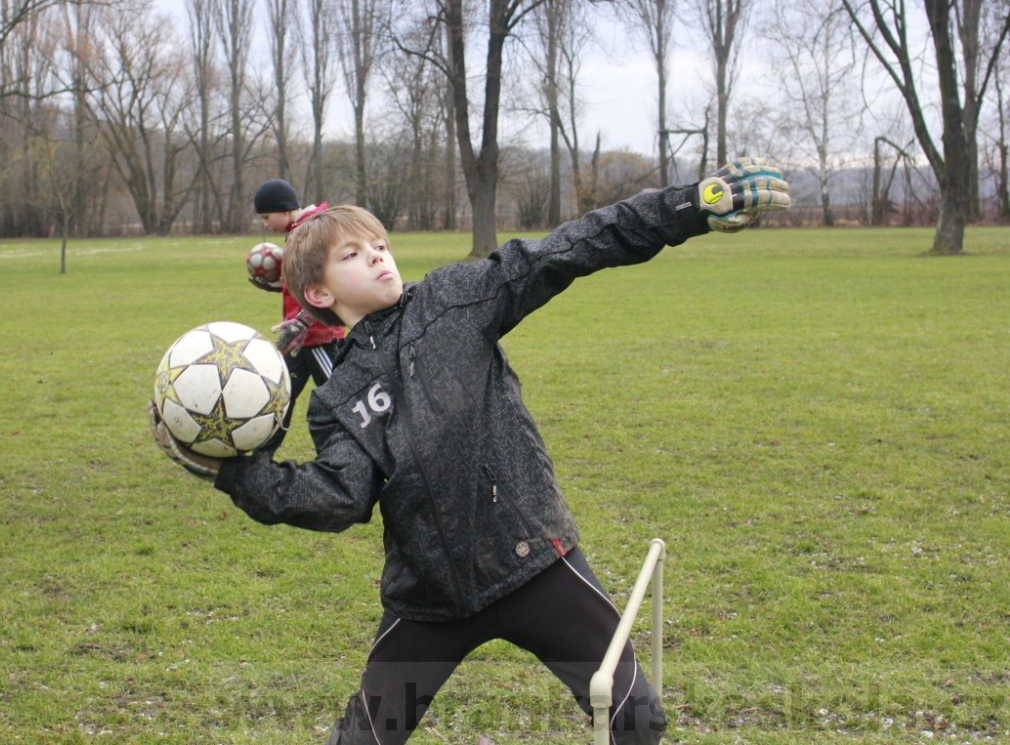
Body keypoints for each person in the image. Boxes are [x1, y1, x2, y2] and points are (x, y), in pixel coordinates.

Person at [163, 160, 791, 743]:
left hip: (533, 563)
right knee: (362, 740)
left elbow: (571, 247)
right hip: (429, 596)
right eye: (352, 255)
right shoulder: (337, 397)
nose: (378, 256)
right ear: (320, 293)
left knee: (635, 719)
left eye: (379, 244)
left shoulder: (453, 300)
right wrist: (237, 473)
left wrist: (688, 205)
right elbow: (339, 497)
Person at [250, 178, 345, 449]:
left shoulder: (311, 232)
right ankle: (260, 457)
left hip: (319, 336)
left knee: (340, 399)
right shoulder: (297, 231)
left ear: (284, 209)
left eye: (267, 217)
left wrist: (304, 319)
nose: (266, 224)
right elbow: (306, 285)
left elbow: (327, 283)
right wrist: (279, 287)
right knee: (280, 396)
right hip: (298, 338)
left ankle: (354, 456)